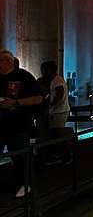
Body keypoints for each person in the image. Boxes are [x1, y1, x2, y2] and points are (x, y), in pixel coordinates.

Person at [0, 50, 43, 198]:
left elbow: (38, 98)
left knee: (21, 156)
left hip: (19, 125)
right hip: (1, 124)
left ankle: (26, 185)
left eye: (1, 61)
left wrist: (16, 102)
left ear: (8, 62)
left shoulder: (23, 76)